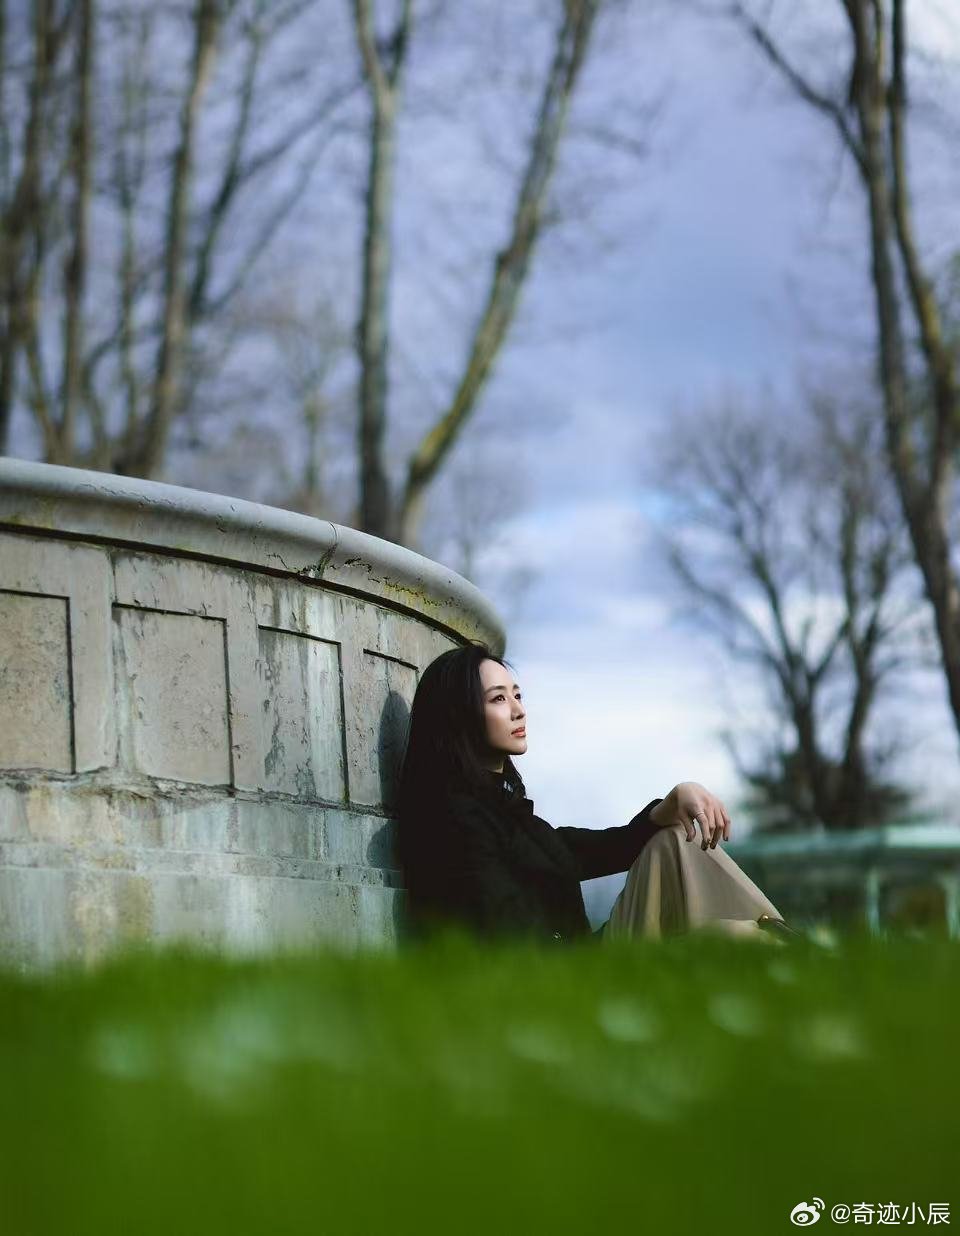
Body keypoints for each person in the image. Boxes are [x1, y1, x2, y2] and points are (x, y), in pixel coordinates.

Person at [396, 641, 796, 949]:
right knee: (730, 939)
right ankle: (787, 949)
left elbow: (588, 850)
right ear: (459, 715)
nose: (519, 710)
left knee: (675, 837)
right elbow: (513, 948)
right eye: (499, 698)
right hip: (566, 985)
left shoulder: (509, 812)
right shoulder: (455, 822)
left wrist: (672, 801)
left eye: (517, 695)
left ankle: (785, 939)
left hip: (583, 961)